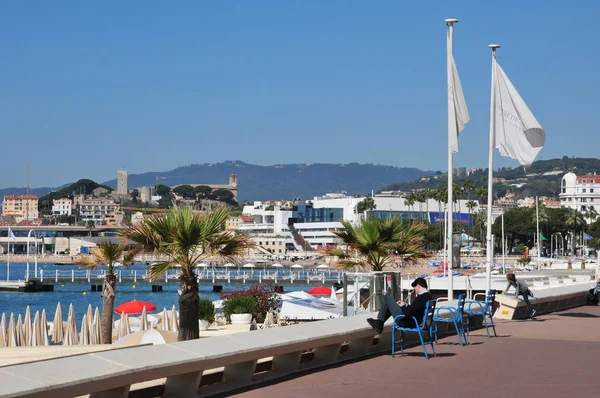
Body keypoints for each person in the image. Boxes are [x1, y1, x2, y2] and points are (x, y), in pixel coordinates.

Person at [366, 277, 433, 334]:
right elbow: (415, 309)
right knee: (396, 300)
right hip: (416, 321)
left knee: (387, 298)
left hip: (407, 322)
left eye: (415, 289)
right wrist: (406, 305)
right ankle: (379, 323)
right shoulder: (429, 297)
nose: (415, 291)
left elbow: (408, 313)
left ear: (418, 286)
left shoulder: (420, 298)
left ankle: (379, 322)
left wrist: (403, 306)